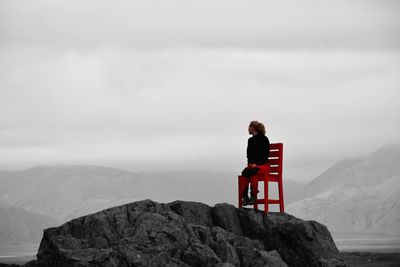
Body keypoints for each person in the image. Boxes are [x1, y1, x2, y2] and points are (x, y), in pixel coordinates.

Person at [240, 121, 270, 206]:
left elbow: (266, 155)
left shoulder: (264, 139)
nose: (248, 129)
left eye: (249, 127)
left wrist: (256, 164)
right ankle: (245, 196)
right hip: (253, 166)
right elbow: (248, 155)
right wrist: (250, 164)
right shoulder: (250, 140)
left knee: (253, 171)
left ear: (253, 128)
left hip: (264, 165)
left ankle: (253, 194)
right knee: (245, 172)